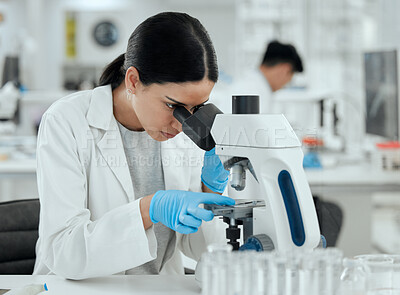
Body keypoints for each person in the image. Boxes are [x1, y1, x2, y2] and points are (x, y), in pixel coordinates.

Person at [33, 12, 235, 279]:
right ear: (133, 81)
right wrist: (148, 210)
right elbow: (64, 252)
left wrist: (211, 192)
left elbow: (201, 248)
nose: (182, 124)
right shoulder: (67, 121)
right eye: (173, 106)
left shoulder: (186, 133)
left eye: (196, 108)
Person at [212, 40, 303, 113]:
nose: (285, 85)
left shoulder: (255, 85)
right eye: (290, 78)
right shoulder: (252, 90)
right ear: (285, 69)